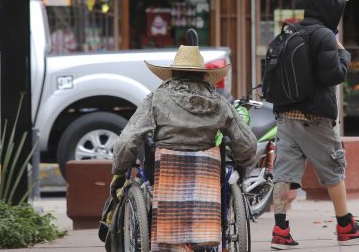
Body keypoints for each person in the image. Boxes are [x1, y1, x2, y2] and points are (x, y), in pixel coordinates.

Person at [270, 0, 359, 250]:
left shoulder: (290, 31)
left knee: (283, 173)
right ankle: (345, 226)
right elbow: (334, 74)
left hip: (286, 116)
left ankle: (280, 229)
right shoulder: (325, 35)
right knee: (333, 170)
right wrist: (343, 52)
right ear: (330, 8)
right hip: (315, 117)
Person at [109, 43, 257, 198]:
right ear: (204, 75)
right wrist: (242, 159)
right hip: (207, 179)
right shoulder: (220, 103)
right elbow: (248, 145)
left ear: (173, 73)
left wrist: (119, 171)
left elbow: (127, 141)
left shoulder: (157, 99)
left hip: (162, 174)